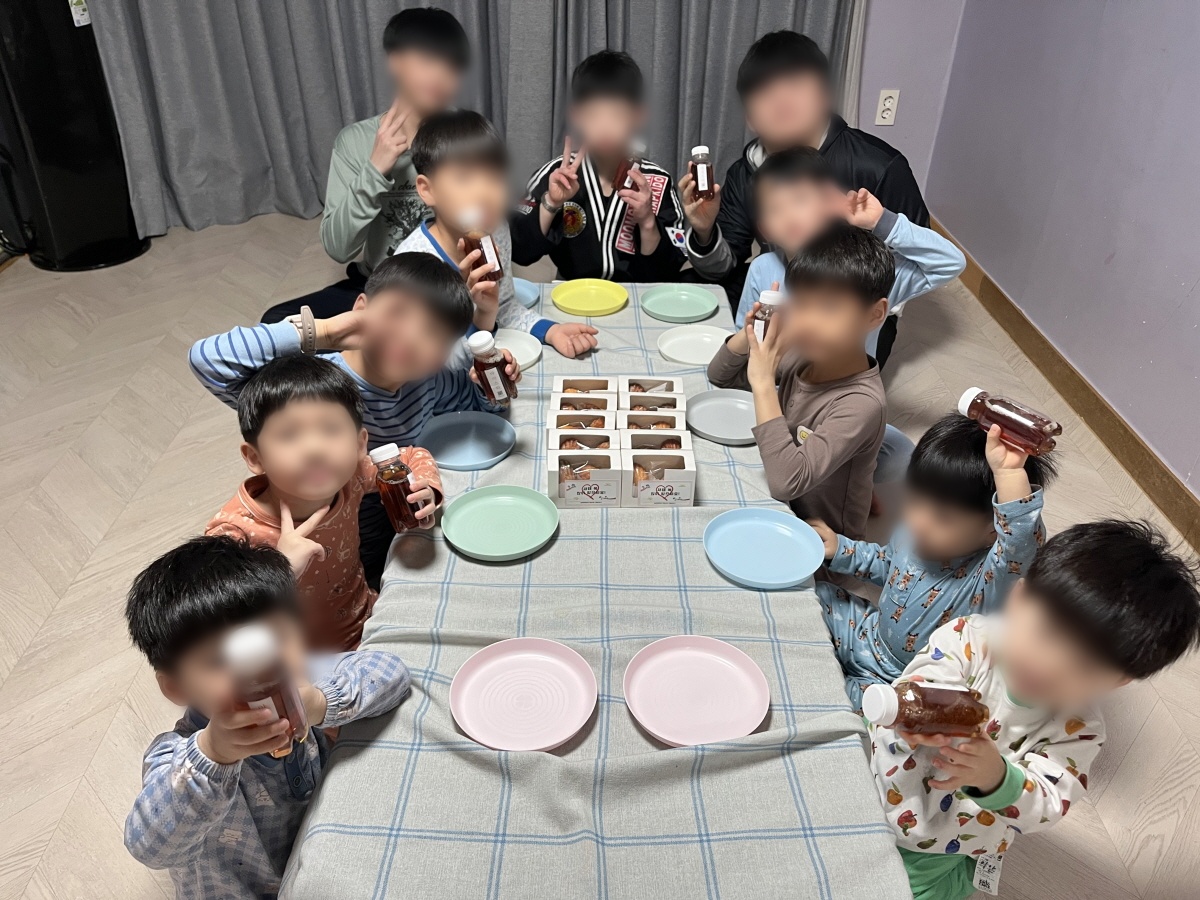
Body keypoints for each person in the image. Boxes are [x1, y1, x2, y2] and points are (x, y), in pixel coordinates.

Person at [870, 520, 1200, 900]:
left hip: (937, 838)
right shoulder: (968, 640)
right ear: (1019, 599)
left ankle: (960, 875)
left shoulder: (1078, 731)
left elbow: (1048, 802)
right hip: (885, 772)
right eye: (1047, 632)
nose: (1048, 666)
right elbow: (925, 677)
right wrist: (919, 707)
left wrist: (996, 778)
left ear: (1118, 681)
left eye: (1084, 665)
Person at [190, 252, 520, 589]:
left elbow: (479, 410)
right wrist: (324, 331)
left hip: (383, 520)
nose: (410, 337)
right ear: (361, 308)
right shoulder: (313, 387)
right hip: (310, 532)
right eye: (397, 313)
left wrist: (492, 384)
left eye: (433, 333)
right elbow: (208, 360)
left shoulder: (428, 383)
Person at [123, 535, 412, 899]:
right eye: (220, 660)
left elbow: (391, 672)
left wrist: (320, 702)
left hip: (320, 854)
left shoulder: (302, 678)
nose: (261, 669)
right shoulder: (174, 756)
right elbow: (149, 846)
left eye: (275, 639)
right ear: (177, 688)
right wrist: (214, 753)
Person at [682, 29, 928, 355]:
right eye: (764, 90)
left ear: (824, 96)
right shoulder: (746, 171)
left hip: (850, 300)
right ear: (751, 117)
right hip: (780, 280)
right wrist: (704, 229)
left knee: (818, 367)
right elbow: (724, 268)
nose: (781, 100)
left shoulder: (879, 166)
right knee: (689, 299)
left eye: (795, 83)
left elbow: (919, 256)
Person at [808, 413, 1058, 708]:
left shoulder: (990, 578)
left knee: (843, 700)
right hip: (869, 635)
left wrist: (1009, 475)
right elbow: (887, 565)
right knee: (815, 596)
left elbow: (1021, 541)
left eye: (943, 518)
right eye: (914, 501)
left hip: (908, 682)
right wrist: (841, 549)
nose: (918, 522)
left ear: (993, 530)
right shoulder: (913, 533)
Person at [205, 355, 442, 652]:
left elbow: (411, 456)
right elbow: (213, 617)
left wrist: (425, 487)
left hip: (369, 617)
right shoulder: (233, 531)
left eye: (331, 429)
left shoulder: (352, 478)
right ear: (255, 457)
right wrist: (279, 570)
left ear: (359, 444)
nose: (314, 449)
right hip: (298, 657)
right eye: (289, 435)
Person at [261, 7, 470, 323]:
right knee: (280, 323)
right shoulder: (354, 142)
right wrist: (375, 169)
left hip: (449, 286)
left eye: (452, 64)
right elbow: (338, 247)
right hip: (378, 285)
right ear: (395, 62)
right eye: (428, 60)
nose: (441, 75)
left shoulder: (469, 136)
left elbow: (485, 229)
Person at [707, 221, 890, 544]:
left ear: (874, 315)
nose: (809, 322)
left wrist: (764, 382)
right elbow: (720, 375)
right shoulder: (804, 357)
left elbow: (786, 482)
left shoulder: (862, 403)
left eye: (829, 308)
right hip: (782, 509)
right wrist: (751, 333)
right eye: (801, 304)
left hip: (825, 547)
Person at [396, 109, 599, 362]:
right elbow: (419, 359)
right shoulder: (411, 264)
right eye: (464, 178)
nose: (485, 193)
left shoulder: (496, 231)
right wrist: (481, 322)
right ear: (427, 190)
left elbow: (503, 307)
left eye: (495, 177)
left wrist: (551, 330)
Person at [735, 148, 964, 364]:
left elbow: (949, 263)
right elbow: (744, 335)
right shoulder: (761, 268)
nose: (789, 216)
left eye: (800, 200)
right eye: (774, 209)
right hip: (774, 382)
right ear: (765, 230)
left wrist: (881, 221)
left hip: (844, 387)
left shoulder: (866, 269)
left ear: (828, 203)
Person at [510, 50, 686, 282]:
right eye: (593, 116)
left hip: (635, 294)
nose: (604, 128)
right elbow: (520, 251)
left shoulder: (656, 180)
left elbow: (672, 267)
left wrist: (647, 221)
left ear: (638, 116)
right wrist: (551, 203)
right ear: (576, 116)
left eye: (617, 115)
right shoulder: (555, 175)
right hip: (572, 292)